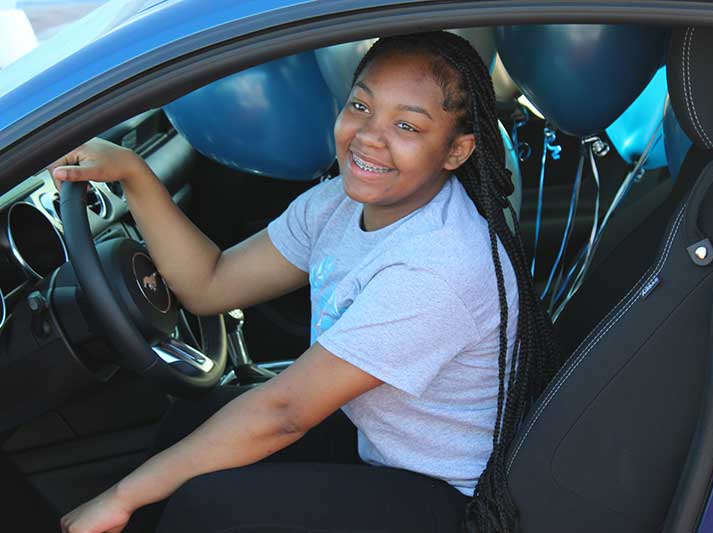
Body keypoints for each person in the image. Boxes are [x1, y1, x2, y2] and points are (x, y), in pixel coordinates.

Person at [53, 31, 561, 533]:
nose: (368, 137)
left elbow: (285, 412)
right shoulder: (342, 201)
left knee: (209, 507)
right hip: (381, 439)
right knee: (194, 421)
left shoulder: (438, 267)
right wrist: (134, 175)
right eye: (361, 107)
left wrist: (119, 498)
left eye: (407, 126)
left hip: (450, 494)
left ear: (456, 151)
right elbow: (212, 283)